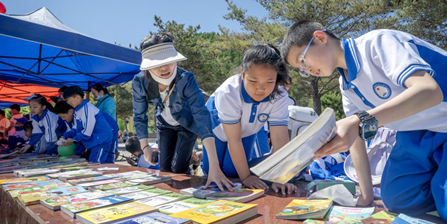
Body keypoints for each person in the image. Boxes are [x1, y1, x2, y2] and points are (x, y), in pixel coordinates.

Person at [280, 21, 447, 224]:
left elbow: (428, 91)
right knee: (398, 199)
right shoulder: (346, 86)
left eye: (303, 60)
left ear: (320, 38)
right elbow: (357, 138)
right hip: (423, 127)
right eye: (301, 68)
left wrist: (360, 121)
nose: (307, 70)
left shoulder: (377, 43)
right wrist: (366, 197)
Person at [132, 33, 229, 189]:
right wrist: (145, 148)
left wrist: (214, 166)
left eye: (169, 61)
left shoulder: (186, 79)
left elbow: (201, 117)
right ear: (147, 66)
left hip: (187, 124)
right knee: (164, 168)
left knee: (178, 167)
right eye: (157, 63)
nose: (165, 68)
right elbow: (139, 115)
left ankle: (186, 188)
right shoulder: (140, 81)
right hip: (164, 125)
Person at [203, 45, 297, 194]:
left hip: (247, 132)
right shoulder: (228, 92)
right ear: (242, 73)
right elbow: (233, 139)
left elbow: (279, 138)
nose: (261, 89)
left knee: (233, 171)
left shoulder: (280, 95)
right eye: (253, 81)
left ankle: (267, 169)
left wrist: (279, 177)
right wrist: (246, 177)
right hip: (217, 131)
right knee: (211, 171)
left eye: (269, 82)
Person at [61, 86, 115, 163]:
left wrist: (73, 139)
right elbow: (75, 128)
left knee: (95, 164)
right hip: (95, 142)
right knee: (96, 163)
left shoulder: (87, 108)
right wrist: (65, 136)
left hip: (101, 141)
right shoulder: (77, 111)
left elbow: (87, 132)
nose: (69, 103)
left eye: (69, 101)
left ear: (77, 97)